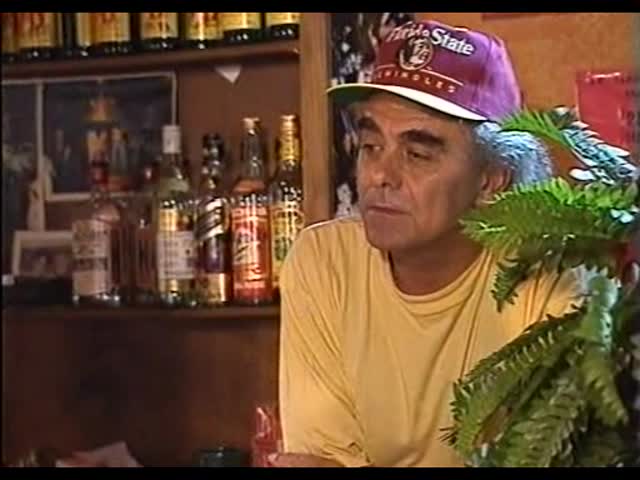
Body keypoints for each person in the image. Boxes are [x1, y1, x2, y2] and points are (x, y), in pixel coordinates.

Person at [271, 19, 586, 468]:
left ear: (491, 180)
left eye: (417, 154)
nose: (380, 176)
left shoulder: (548, 274)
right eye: (370, 146)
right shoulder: (324, 262)